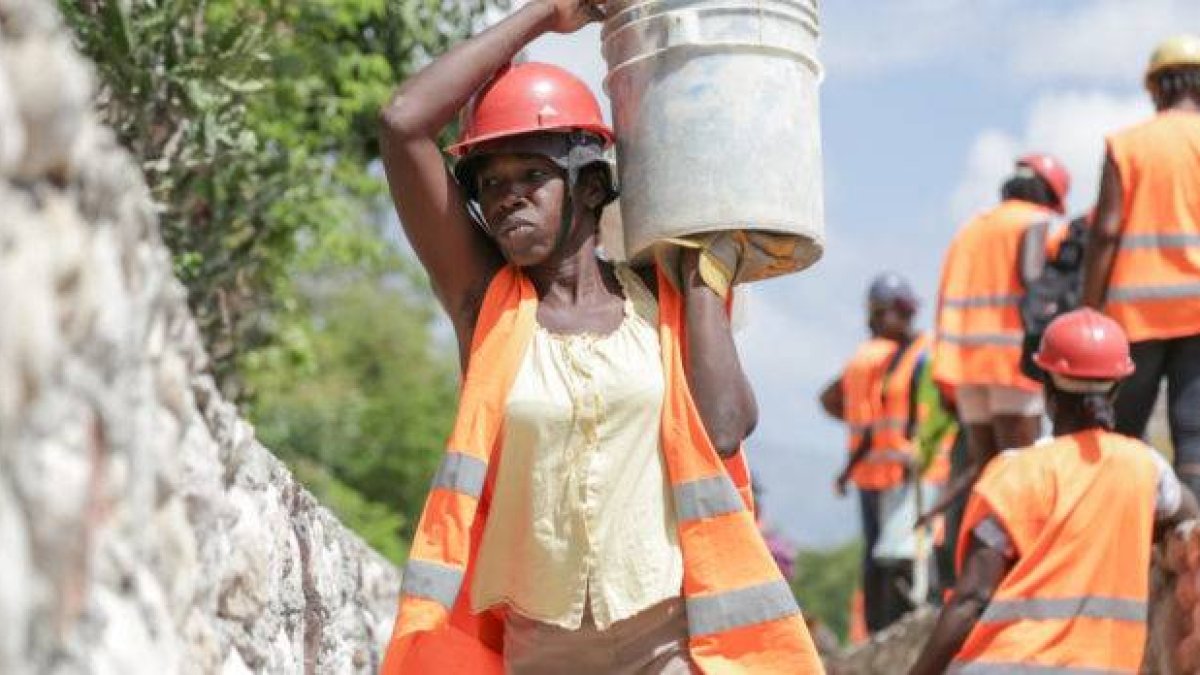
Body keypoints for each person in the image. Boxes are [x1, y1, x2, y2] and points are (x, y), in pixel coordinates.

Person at [376, 1, 822, 672]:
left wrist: (708, 277)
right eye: (490, 183)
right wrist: (546, 16)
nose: (507, 198)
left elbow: (725, 427)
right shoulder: (487, 306)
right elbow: (402, 121)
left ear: (588, 186)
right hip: (541, 647)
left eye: (532, 176)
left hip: (665, 639)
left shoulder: (662, 299)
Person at [909, 308, 1199, 674]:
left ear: (1047, 386)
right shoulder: (1147, 470)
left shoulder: (1014, 472)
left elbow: (972, 598)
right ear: (1118, 387)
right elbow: (1186, 518)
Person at [923, 154, 1071, 530]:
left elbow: (944, 298)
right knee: (1018, 466)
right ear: (1048, 195)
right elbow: (1033, 278)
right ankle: (1011, 565)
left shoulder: (973, 227)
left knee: (986, 471)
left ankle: (981, 564)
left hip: (967, 366)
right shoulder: (1037, 221)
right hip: (1012, 362)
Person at [1081, 34, 1200, 498]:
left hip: (1137, 318)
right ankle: (1192, 550)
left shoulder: (1126, 145)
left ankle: (1131, 536)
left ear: (1155, 88)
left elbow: (1106, 231)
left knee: (1124, 435)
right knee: (1193, 436)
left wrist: (1089, 311)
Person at [819, 272, 931, 633]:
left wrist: (848, 470)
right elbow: (868, 425)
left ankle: (879, 632)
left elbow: (833, 401)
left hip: (880, 474)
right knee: (894, 556)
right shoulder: (883, 357)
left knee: (880, 556)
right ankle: (888, 631)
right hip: (893, 474)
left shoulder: (868, 357)